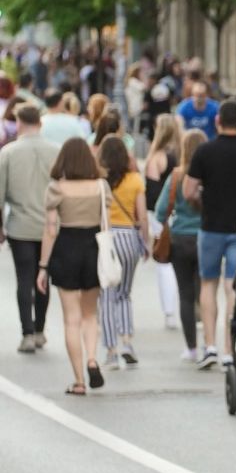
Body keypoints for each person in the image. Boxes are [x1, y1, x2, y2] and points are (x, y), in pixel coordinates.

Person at [185, 100, 236, 369]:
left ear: (218, 121)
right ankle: (229, 350)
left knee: (208, 284)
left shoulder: (204, 152)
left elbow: (188, 191)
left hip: (210, 227)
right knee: (233, 286)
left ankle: (209, 346)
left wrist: (202, 199)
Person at [37, 138, 109, 395]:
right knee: (90, 314)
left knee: (71, 319)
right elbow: (105, 221)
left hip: (66, 248)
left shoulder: (57, 188)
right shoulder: (101, 187)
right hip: (93, 249)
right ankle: (92, 358)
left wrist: (43, 266)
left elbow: (50, 229)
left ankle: (79, 380)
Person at [0, 105, 60, 352]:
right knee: (43, 276)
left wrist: (0, 228)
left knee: (24, 279)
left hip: (20, 226)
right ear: (40, 123)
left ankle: (26, 333)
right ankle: (39, 329)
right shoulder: (56, 152)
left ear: (19, 122)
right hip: (50, 225)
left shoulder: (9, 153)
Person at [98, 136, 150, 369]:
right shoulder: (135, 180)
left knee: (107, 296)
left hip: (108, 239)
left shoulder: (99, 181)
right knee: (124, 293)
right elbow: (142, 215)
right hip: (129, 237)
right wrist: (145, 242)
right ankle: (127, 341)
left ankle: (111, 351)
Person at [155, 130, 206, 362]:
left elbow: (160, 209)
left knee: (185, 294)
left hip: (180, 239)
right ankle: (211, 345)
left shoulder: (176, 176)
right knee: (205, 292)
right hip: (206, 238)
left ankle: (191, 347)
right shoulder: (210, 177)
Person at [144, 115, 181, 330]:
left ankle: (169, 312)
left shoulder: (157, 157)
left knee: (164, 263)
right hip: (182, 214)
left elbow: (152, 193)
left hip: (162, 215)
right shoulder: (182, 153)